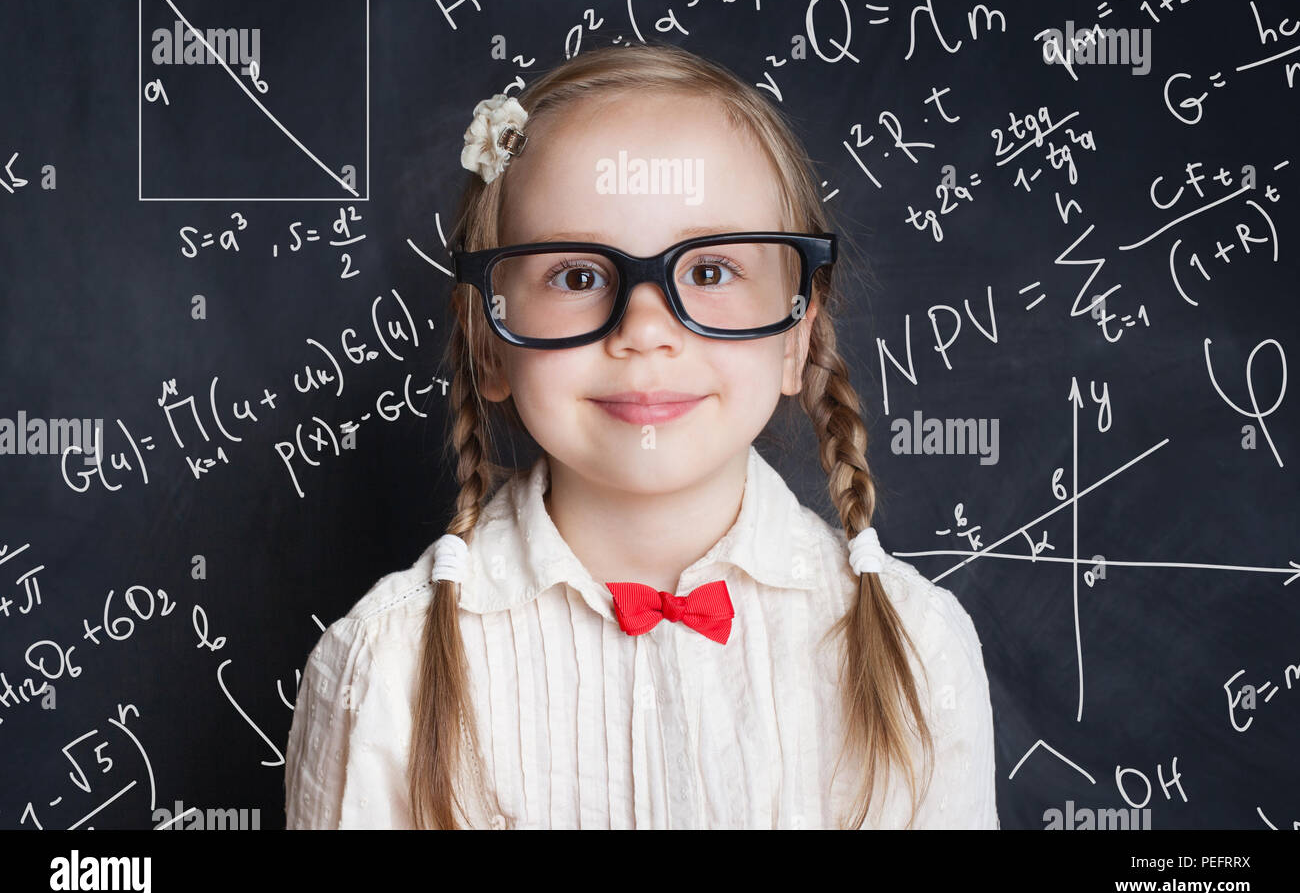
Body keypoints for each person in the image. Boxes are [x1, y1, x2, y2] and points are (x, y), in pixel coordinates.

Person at [284, 41, 998, 829]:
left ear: (797, 335)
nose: (646, 329)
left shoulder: (920, 651)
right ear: (489, 337)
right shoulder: (383, 669)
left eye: (712, 271)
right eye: (579, 277)